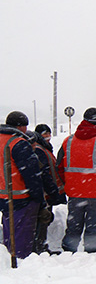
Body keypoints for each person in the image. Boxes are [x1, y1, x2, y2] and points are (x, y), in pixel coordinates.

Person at [57, 108, 96, 253]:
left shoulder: (68, 141)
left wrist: (69, 184)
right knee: (93, 226)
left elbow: (59, 167)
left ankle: (68, 251)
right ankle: (91, 253)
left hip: (74, 193)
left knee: (73, 225)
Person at [0, 111, 61, 259]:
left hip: (4, 197)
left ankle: (9, 259)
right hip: (21, 198)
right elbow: (32, 176)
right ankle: (21, 265)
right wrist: (40, 201)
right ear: (21, 127)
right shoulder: (19, 143)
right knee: (22, 237)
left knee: (10, 233)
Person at [31, 125, 66, 254]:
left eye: (49, 134)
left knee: (43, 219)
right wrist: (52, 191)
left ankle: (39, 246)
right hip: (44, 194)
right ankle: (39, 247)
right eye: (44, 134)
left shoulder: (43, 148)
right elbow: (44, 173)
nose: (48, 137)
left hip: (45, 193)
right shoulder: (39, 150)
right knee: (42, 220)